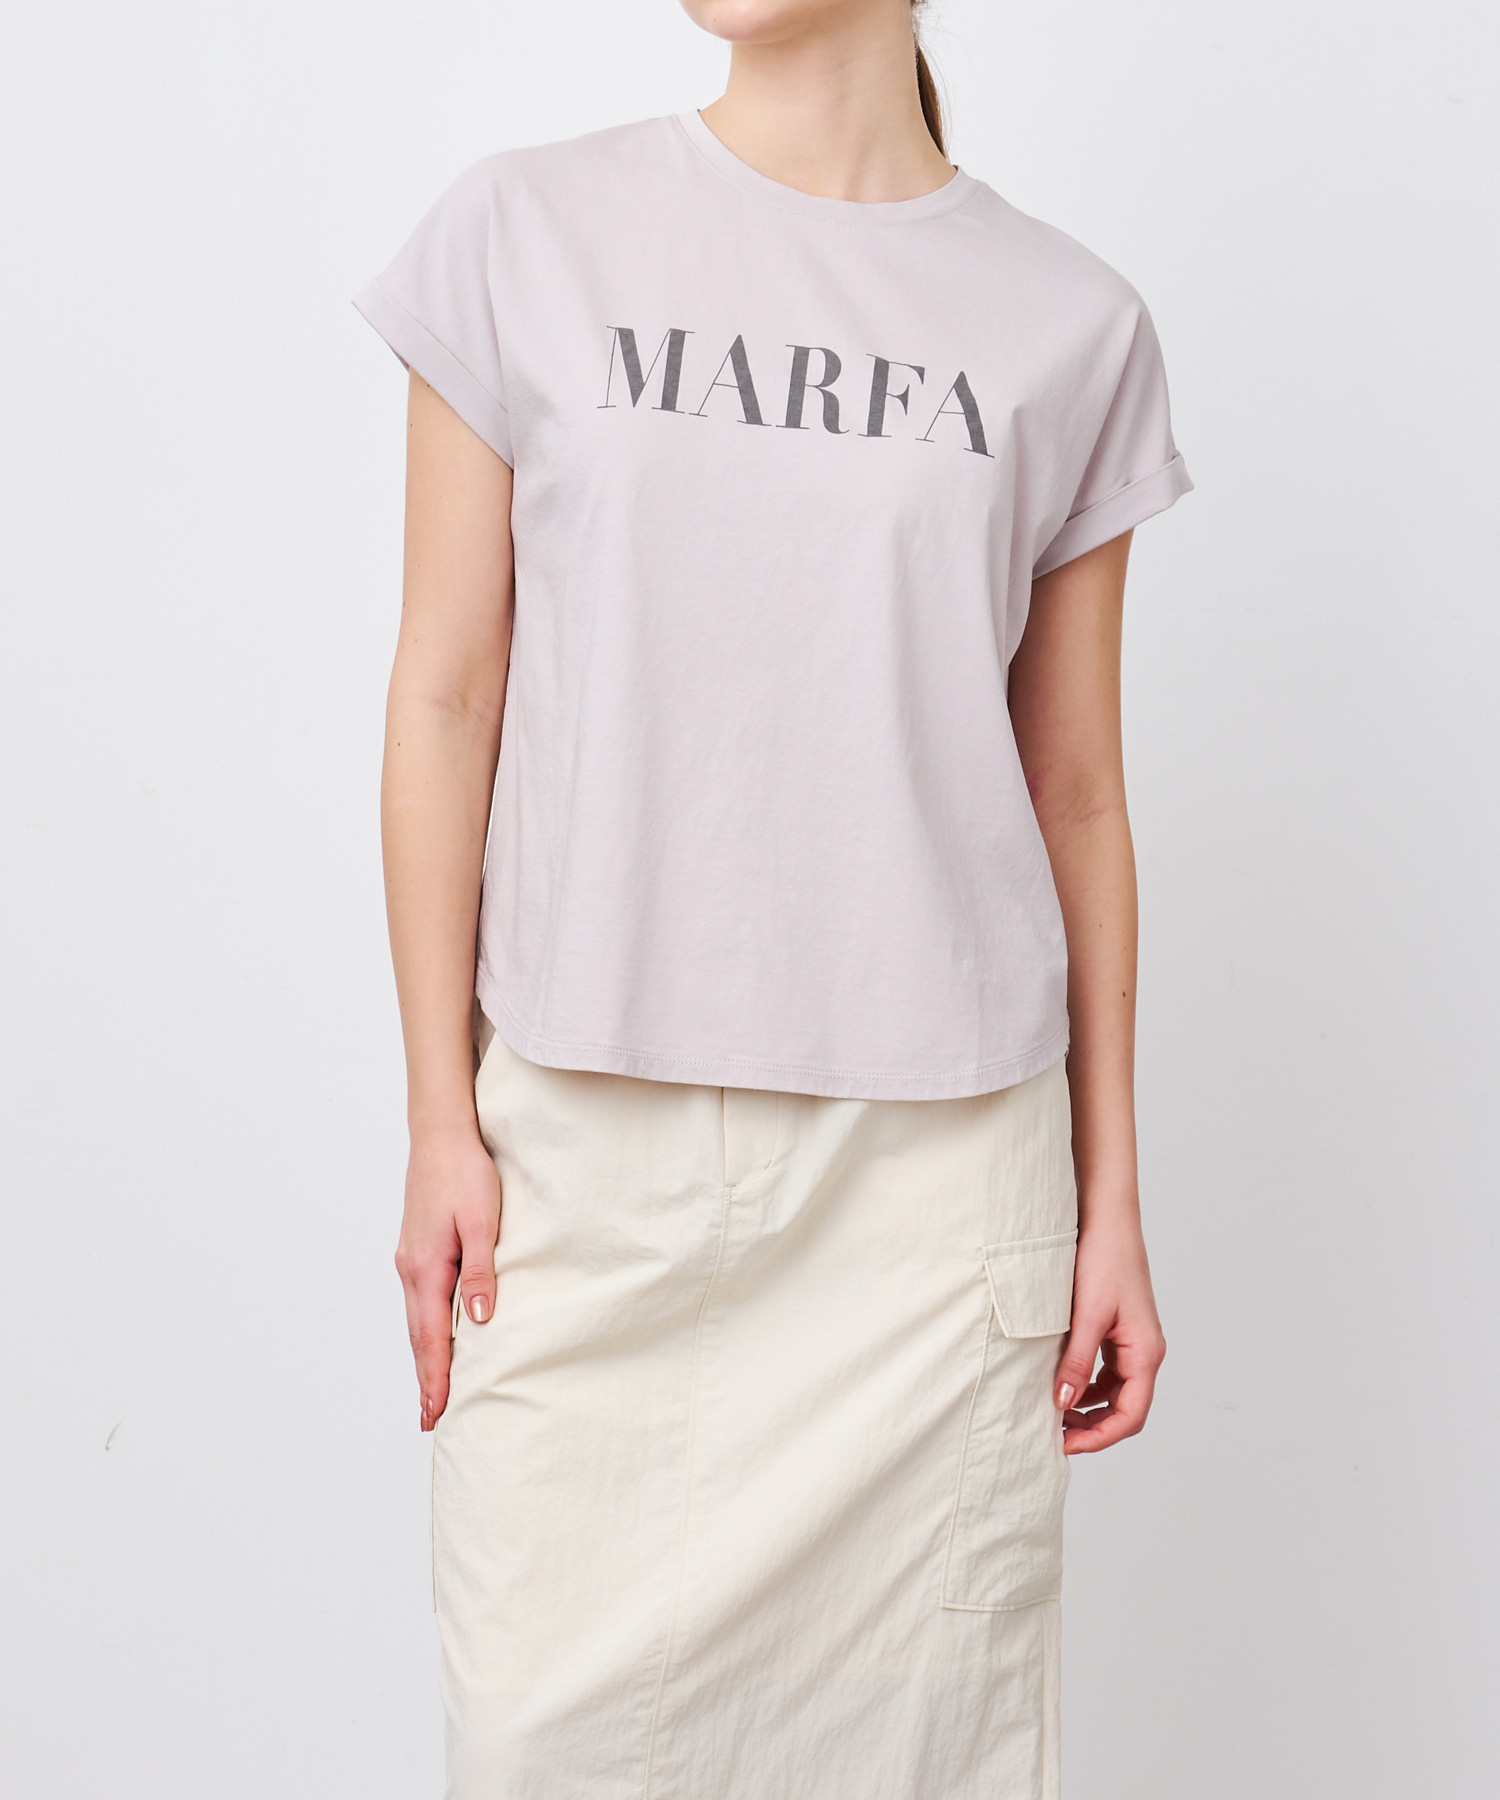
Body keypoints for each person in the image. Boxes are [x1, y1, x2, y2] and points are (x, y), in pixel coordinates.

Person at [354, 1, 1188, 1793]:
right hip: (584, 1171)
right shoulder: (522, 232)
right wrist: (439, 1118)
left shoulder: (1071, 322)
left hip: (931, 1201)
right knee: (536, 1748)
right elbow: (444, 697)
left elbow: (1077, 791)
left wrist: (1111, 1193)